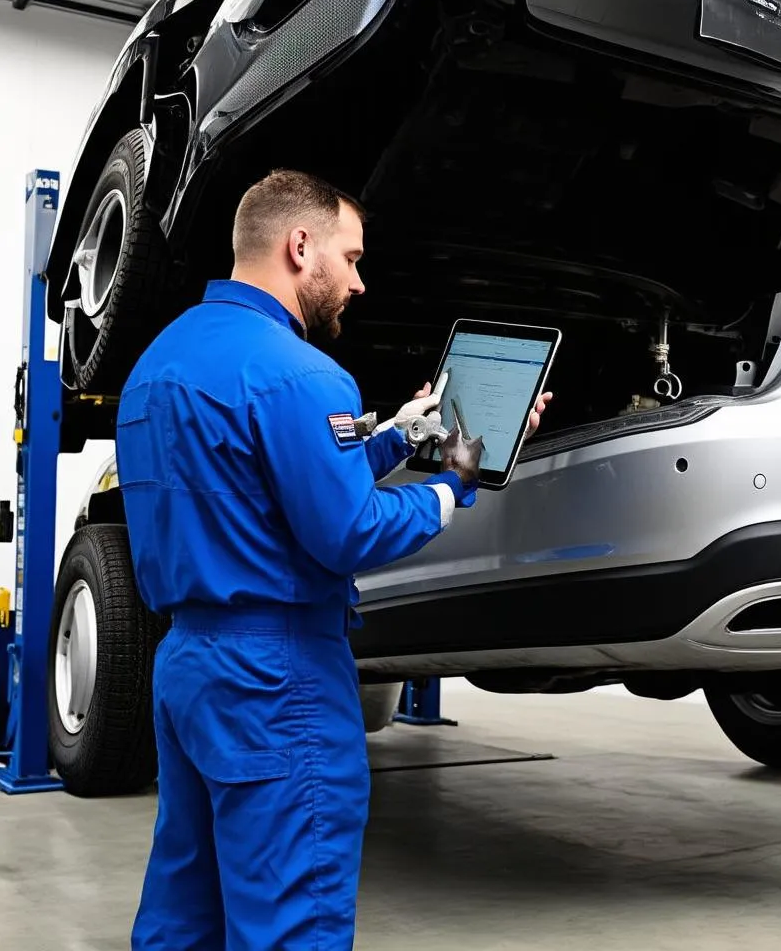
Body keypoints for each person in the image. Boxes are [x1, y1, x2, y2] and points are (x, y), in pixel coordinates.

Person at [116, 168, 552, 950]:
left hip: (189, 666)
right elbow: (346, 530)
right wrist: (452, 487)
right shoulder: (305, 373)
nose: (358, 281)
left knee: (188, 904)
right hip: (277, 675)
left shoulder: (160, 361)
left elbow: (260, 485)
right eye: (350, 259)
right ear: (300, 245)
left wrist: (399, 434)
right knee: (293, 917)